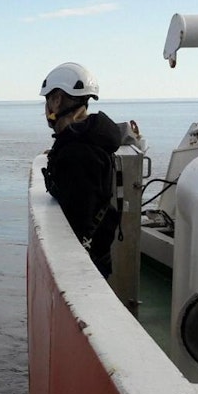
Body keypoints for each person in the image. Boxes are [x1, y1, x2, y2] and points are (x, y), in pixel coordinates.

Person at [39, 62, 122, 277]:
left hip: (84, 266)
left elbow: (78, 218)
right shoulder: (88, 139)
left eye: (48, 100)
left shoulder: (77, 153)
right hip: (97, 254)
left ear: (57, 100)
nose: (46, 108)